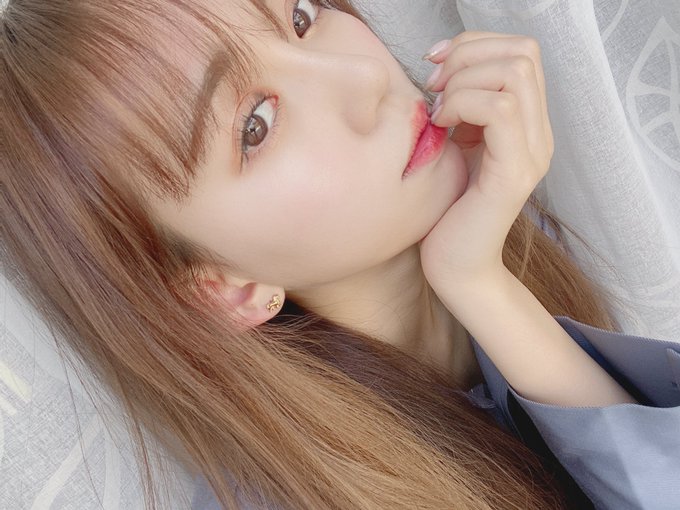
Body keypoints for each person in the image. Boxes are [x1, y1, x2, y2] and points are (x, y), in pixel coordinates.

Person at [2, 0, 679, 509]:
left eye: (301, 17)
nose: (364, 76)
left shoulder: (514, 234)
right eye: (255, 125)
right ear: (225, 288)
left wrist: (484, 286)